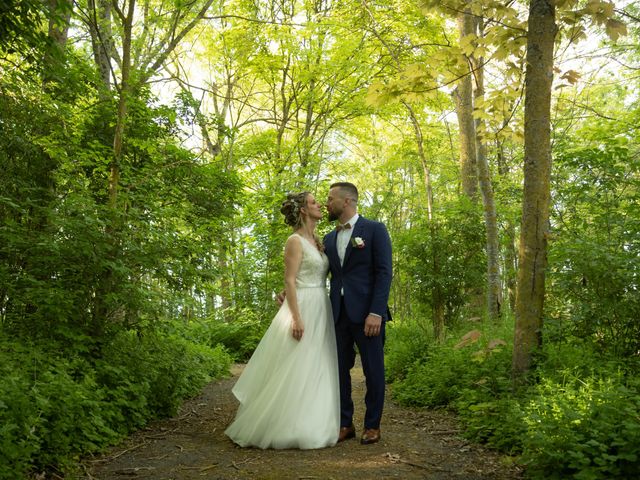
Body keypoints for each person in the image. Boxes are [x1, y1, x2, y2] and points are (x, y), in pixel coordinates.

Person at [225, 191, 340, 449]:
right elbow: (290, 279)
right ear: (302, 210)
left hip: (322, 305)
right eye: (313, 202)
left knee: (316, 364)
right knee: (295, 364)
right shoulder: (294, 241)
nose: (319, 205)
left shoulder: (318, 242)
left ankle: (314, 422)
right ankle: (283, 425)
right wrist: (296, 318)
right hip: (303, 308)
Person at [324, 182, 392, 445]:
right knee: (339, 371)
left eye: (331, 199)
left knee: (373, 370)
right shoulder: (329, 238)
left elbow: (384, 273)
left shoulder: (374, 230)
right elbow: (316, 272)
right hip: (338, 314)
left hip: (368, 316)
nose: (327, 204)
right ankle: (345, 423)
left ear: (348, 201)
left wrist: (376, 312)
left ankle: (372, 425)